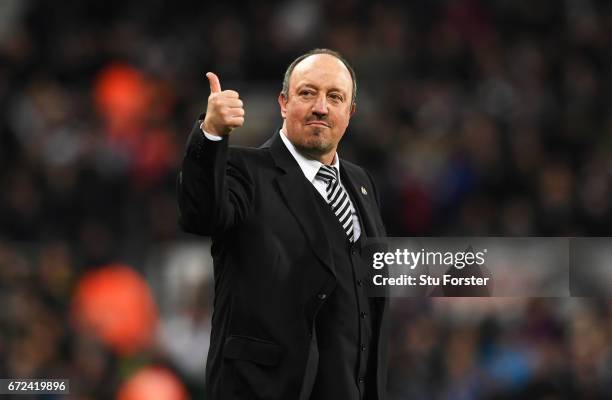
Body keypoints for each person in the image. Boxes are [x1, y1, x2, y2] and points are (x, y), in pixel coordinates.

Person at [177, 48, 388, 400]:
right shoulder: (245, 170)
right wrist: (211, 134)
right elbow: (201, 214)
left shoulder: (362, 182)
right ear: (283, 103)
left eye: (335, 97)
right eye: (307, 93)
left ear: (349, 114)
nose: (321, 107)